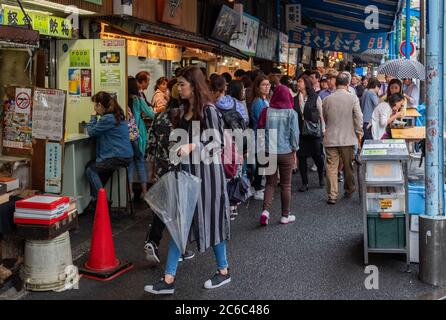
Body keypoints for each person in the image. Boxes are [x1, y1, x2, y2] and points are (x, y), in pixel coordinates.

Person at [144, 66, 231, 295]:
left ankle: (223, 271)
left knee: (210, 222)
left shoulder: (209, 110)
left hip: (208, 179)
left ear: (194, 85)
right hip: (187, 175)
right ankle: (169, 278)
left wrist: (193, 146)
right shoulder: (183, 110)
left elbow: (218, 144)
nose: (178, 88)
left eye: (182, 84)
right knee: (178, 225)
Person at [144, 83, 195, 265]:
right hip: (180, 169)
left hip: (161, 168)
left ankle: (152, 240)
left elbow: (150, 146)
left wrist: (151, 171)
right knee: (180, 209)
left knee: (162, 207)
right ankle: (180, 248)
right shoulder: (184, 116)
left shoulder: (159, 116)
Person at [257, 85, 299, 226]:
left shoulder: (266, 111)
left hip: (269, 151)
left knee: (270, 183)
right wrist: (295, 150)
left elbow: (260, 131)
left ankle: (265, 212)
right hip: (286, 151)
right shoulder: (292, 113)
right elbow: (294, 135)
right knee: (286, 185)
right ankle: (285, 215)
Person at [85, 92, 134, 213]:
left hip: (117, 156)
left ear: (100, 105)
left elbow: (91, 132)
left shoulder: (107, 118)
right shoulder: (117, 116)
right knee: (98, 171)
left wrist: (92, 117)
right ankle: (95, 201)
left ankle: (102, 202)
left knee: (91, 170)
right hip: (124, 155)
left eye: (95, 105)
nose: (94, 108)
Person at [322, 73, 363, 205]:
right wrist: (358, 132)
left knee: (331, 167)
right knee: (347, 166)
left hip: (331, 137)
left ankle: (332, 195)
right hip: (348, 137)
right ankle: (349, 189)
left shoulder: (327, 99)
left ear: (336, 83)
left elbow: (325, 117)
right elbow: (358, 117)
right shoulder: (353, 98)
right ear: (348, 84)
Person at [294, 76, 325, 191]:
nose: (298, 83)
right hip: (300, 132)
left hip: (313, 132)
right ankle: (304, 183)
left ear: (306, 84)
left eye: (300, 81)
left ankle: (321, 177)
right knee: (301, 157)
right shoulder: (294, 99)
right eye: (297, 81)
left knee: (318, 156)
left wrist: (323, 130)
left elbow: (321, 115)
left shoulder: (315, 97)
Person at [127, 77, 155, 200]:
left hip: (125, 134)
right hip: (138, 134)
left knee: (129, 164)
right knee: (140, 163)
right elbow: (150, 114)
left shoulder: (123, 99)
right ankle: (144, 192)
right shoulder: (138, 100)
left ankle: (130, 193)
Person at [250, 75, 271, 200]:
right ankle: (257, 189)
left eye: (268, 84)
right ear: (258, 87)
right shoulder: (258, 101)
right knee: (260, 163)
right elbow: (260, 121)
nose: (267, 87)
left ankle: (256, 187)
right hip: (260, 135)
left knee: (261, 163)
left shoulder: (264, 99)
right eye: (263, 84)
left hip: (262, 135)